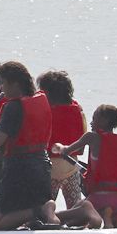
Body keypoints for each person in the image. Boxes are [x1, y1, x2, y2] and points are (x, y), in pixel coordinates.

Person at [0, 60, 55, 230]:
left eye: (2, 83)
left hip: (19, 168)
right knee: (30, 217)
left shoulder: (13, 107)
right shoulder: (40, 99)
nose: (0, 88)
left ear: (15, 84)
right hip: (41, 166)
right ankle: (78, 211)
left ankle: (39, 210)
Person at [53, 104, 117, 229]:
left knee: (69, 218)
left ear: (104, 121)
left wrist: (59, 147)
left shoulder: (92, 137)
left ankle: (49, 216)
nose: (91, 123)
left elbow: (67, 150)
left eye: (94, 118)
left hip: (99, 198)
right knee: (99, 215)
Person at [37, 69, 87, 215]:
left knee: (45, 207)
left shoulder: (42, 110)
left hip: (48, 168)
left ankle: (49, 222)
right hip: (71, 166)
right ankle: (78, 227)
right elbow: (82, 142)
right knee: (75, 207)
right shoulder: (77, 110)